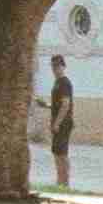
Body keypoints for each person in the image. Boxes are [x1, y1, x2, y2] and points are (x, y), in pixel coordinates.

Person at [45, 52, 76, 188]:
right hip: (59, 122)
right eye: (53, 66)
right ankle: (60, 182)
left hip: (63, 123)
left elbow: (65, 104)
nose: (55, 69)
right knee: (57, 153)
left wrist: (56, 123)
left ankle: (64, 183)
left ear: (63, 66)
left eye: (57, 66)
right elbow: (58, 104)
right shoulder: (57, 83)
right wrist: (47, 105)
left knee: (62, 154)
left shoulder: (65, 83)